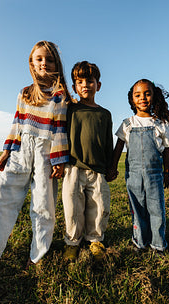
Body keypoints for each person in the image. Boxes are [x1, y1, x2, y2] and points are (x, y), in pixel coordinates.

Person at [0, 41, 70, 267]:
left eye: (49, 60)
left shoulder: (60, 95)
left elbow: (60, 129)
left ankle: (37, 255)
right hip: (20, 150)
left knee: (42, 204)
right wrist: (6, 151)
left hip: (46, 152)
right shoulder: (25, 93)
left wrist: (58, 160)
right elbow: (17, 123)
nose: (44, 64)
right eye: (39, 59)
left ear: (56, 63)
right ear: (32, 62)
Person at [108, 79, 169, 255]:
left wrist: (166, 173)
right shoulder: (128, 123)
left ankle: (158, 244)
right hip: (134, 174)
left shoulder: (160, 123)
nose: (143, 98)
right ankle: (140, 242)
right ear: (132, 99)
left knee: (156, 209)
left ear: (154, 96)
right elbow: (118, 147)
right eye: (137, 95)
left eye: (147, 93)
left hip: (155, 175)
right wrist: (113, 167)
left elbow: (166, 150)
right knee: (137, 208)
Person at [62, 61, 114, 262]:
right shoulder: (70, 110)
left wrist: (110, 166)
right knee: (73, 208)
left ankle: (95, 240)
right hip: (73, 167)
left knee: (99, 206)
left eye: (90, 81)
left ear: (98, 85)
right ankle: (72, 242)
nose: (85, 85)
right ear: (74, 87)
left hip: (98, 170)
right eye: (80, 81)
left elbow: (108, 142)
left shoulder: (104, 114)